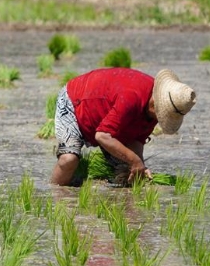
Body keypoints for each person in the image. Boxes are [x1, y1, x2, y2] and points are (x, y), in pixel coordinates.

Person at [51, 67, 197, 186]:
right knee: (69, 159)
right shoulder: (131, 98)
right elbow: (102, 136)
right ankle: (55, 196)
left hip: (107, 118)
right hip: (75, 102)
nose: (161, 118)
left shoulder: (154, 110)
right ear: (156, 104)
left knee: (127, 173)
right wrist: (135, 161)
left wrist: (140, 167)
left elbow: (137, 140)